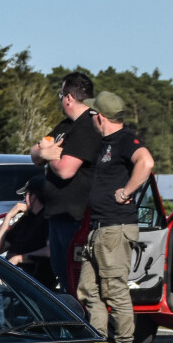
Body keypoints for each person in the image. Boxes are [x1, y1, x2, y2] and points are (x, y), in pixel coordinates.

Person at [74, 91, 155, 343]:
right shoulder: (106, 143)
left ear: (101, 117)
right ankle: (99, 341)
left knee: (114, 291)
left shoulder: (125, 140)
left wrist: (127, 191)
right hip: (99, 228)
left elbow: (146, 161)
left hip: (114, 228)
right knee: (87, 290)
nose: (91, 118)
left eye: (92, 114)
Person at [30, 71, 101, 294]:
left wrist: (48, 154)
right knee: (61, 273)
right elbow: (34, 154)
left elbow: (65, 170)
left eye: (61, 95)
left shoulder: (88, 126)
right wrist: (48, 151)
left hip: (76, 218)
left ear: (68, 97)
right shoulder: (64, 126)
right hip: (58, 215)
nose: (61, 100)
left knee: (76, 279)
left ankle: (83, 326)